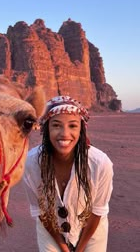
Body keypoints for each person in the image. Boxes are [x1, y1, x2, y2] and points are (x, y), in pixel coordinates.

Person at [23, 96, 113, 252]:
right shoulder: (32, 163)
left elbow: (97, 211)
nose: (65, 134)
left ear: (81, 130)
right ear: (46, 129)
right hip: (51, 226)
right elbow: (42, 212)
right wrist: (63, 247)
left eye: (73, 126)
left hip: (91, 228)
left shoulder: (99, 163)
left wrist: (79, 249)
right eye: (56, 125)